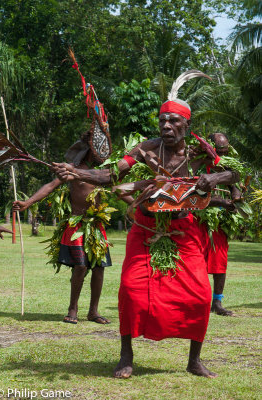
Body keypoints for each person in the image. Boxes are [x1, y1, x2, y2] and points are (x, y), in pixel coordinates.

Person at [53, 70, 240, 378]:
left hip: (184, 231)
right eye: (162, 120)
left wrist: (214, 178)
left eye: (174, 121)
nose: (166, 126)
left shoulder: (200, 151)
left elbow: (233, 172)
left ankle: (194, 360)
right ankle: (126, 357)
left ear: (187, 124)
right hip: (146, 229)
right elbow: (112, 175)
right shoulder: (144, 150)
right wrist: (77, 173)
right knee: (130, 290)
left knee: (199, 295)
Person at [13, 131, 114, 325]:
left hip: (96, 225)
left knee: (99, 269)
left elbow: (120, 186)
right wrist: (28, 202)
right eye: (95, 150)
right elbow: (51, 186)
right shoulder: (74, 169)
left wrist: (136, 204)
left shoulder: (104, 172)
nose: (99, 155)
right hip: (76, 224)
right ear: (88, 150)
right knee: (81, 266)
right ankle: (72, 309)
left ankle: (93, 311)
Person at [203, 133, 242, 316]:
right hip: (198, 219)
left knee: (220, 263)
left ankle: (217, 302)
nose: (223, 155)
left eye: (226, 151)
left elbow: (234, 185)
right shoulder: (196, 163)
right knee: (196, 262)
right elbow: (193, 195)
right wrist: (219, 202)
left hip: (220, 221)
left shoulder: (226, 164)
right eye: (219, 151)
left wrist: (235, 196)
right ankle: (196, 301)